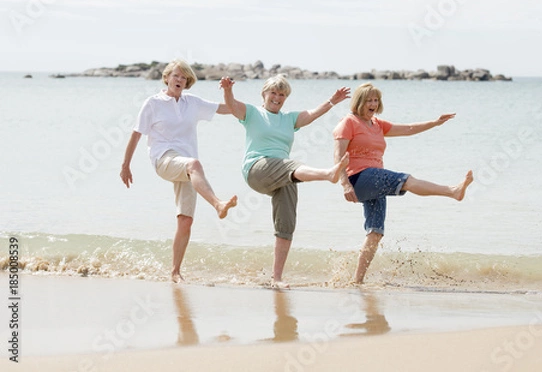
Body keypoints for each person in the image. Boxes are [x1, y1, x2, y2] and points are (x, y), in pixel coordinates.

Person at [332, 82, 473, 284]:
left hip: (375, 181)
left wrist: (434, 123)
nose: (373, 103)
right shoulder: (348, 122)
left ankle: (357, 281)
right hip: (359, 178)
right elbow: (338, 156)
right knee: (406, 180)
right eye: (369, 100)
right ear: (359, 102)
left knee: (375, 232)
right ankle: (452, 191)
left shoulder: (377, 124)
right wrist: (344, 184)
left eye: (376, 100)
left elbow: (408, 129)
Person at [220, 75, 350, 289]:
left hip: (284, 174)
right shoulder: (253, 113)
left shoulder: (288, 119)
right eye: (274, 93)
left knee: (286, 224)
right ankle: (328, 174)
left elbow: (312, 114)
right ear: (264, 94)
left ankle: (277, 278)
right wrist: (227, 90)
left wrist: (333, 101)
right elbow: (232, 106)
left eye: (282, 94)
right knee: (291, 166)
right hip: (257, 168)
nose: (277, 97)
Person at [120, 59, 238, 283]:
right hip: (164, 159)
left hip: (187, 167)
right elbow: (136, 134)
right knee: (195, 164)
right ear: (166, 78)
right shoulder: (153, 103)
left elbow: (227, 109)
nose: (179, 80)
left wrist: (231, 94)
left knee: (185, 220)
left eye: (184, 77)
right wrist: (126, 165)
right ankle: (218, 204)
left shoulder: (192, 102)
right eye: (176, 76)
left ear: (188, 82)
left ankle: (175, 272)